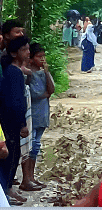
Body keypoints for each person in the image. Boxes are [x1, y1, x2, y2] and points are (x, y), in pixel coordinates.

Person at [0, 37, 29, 203]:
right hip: (10, 122)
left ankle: (8, 189)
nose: (28, 52)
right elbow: (15, 102)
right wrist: (22, 124)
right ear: (13, 53)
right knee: (10, 156)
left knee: (14, 154)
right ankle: (5, 191)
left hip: (9, 120)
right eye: (24, 49)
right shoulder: (14, 73)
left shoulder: (15, 71)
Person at [22, 44, 52, 192]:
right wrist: (43, 95)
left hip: (42, 114)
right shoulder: (29, 74)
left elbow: (51, 90)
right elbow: (32, 94)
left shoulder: (42, 73)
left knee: (36, 146)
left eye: (43, 56)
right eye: (39, 57)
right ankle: (26, 178)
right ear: (32, 59)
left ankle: (31, 177)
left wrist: (47, 72)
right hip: (32, 114)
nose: (42, 59)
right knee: (31, 146)